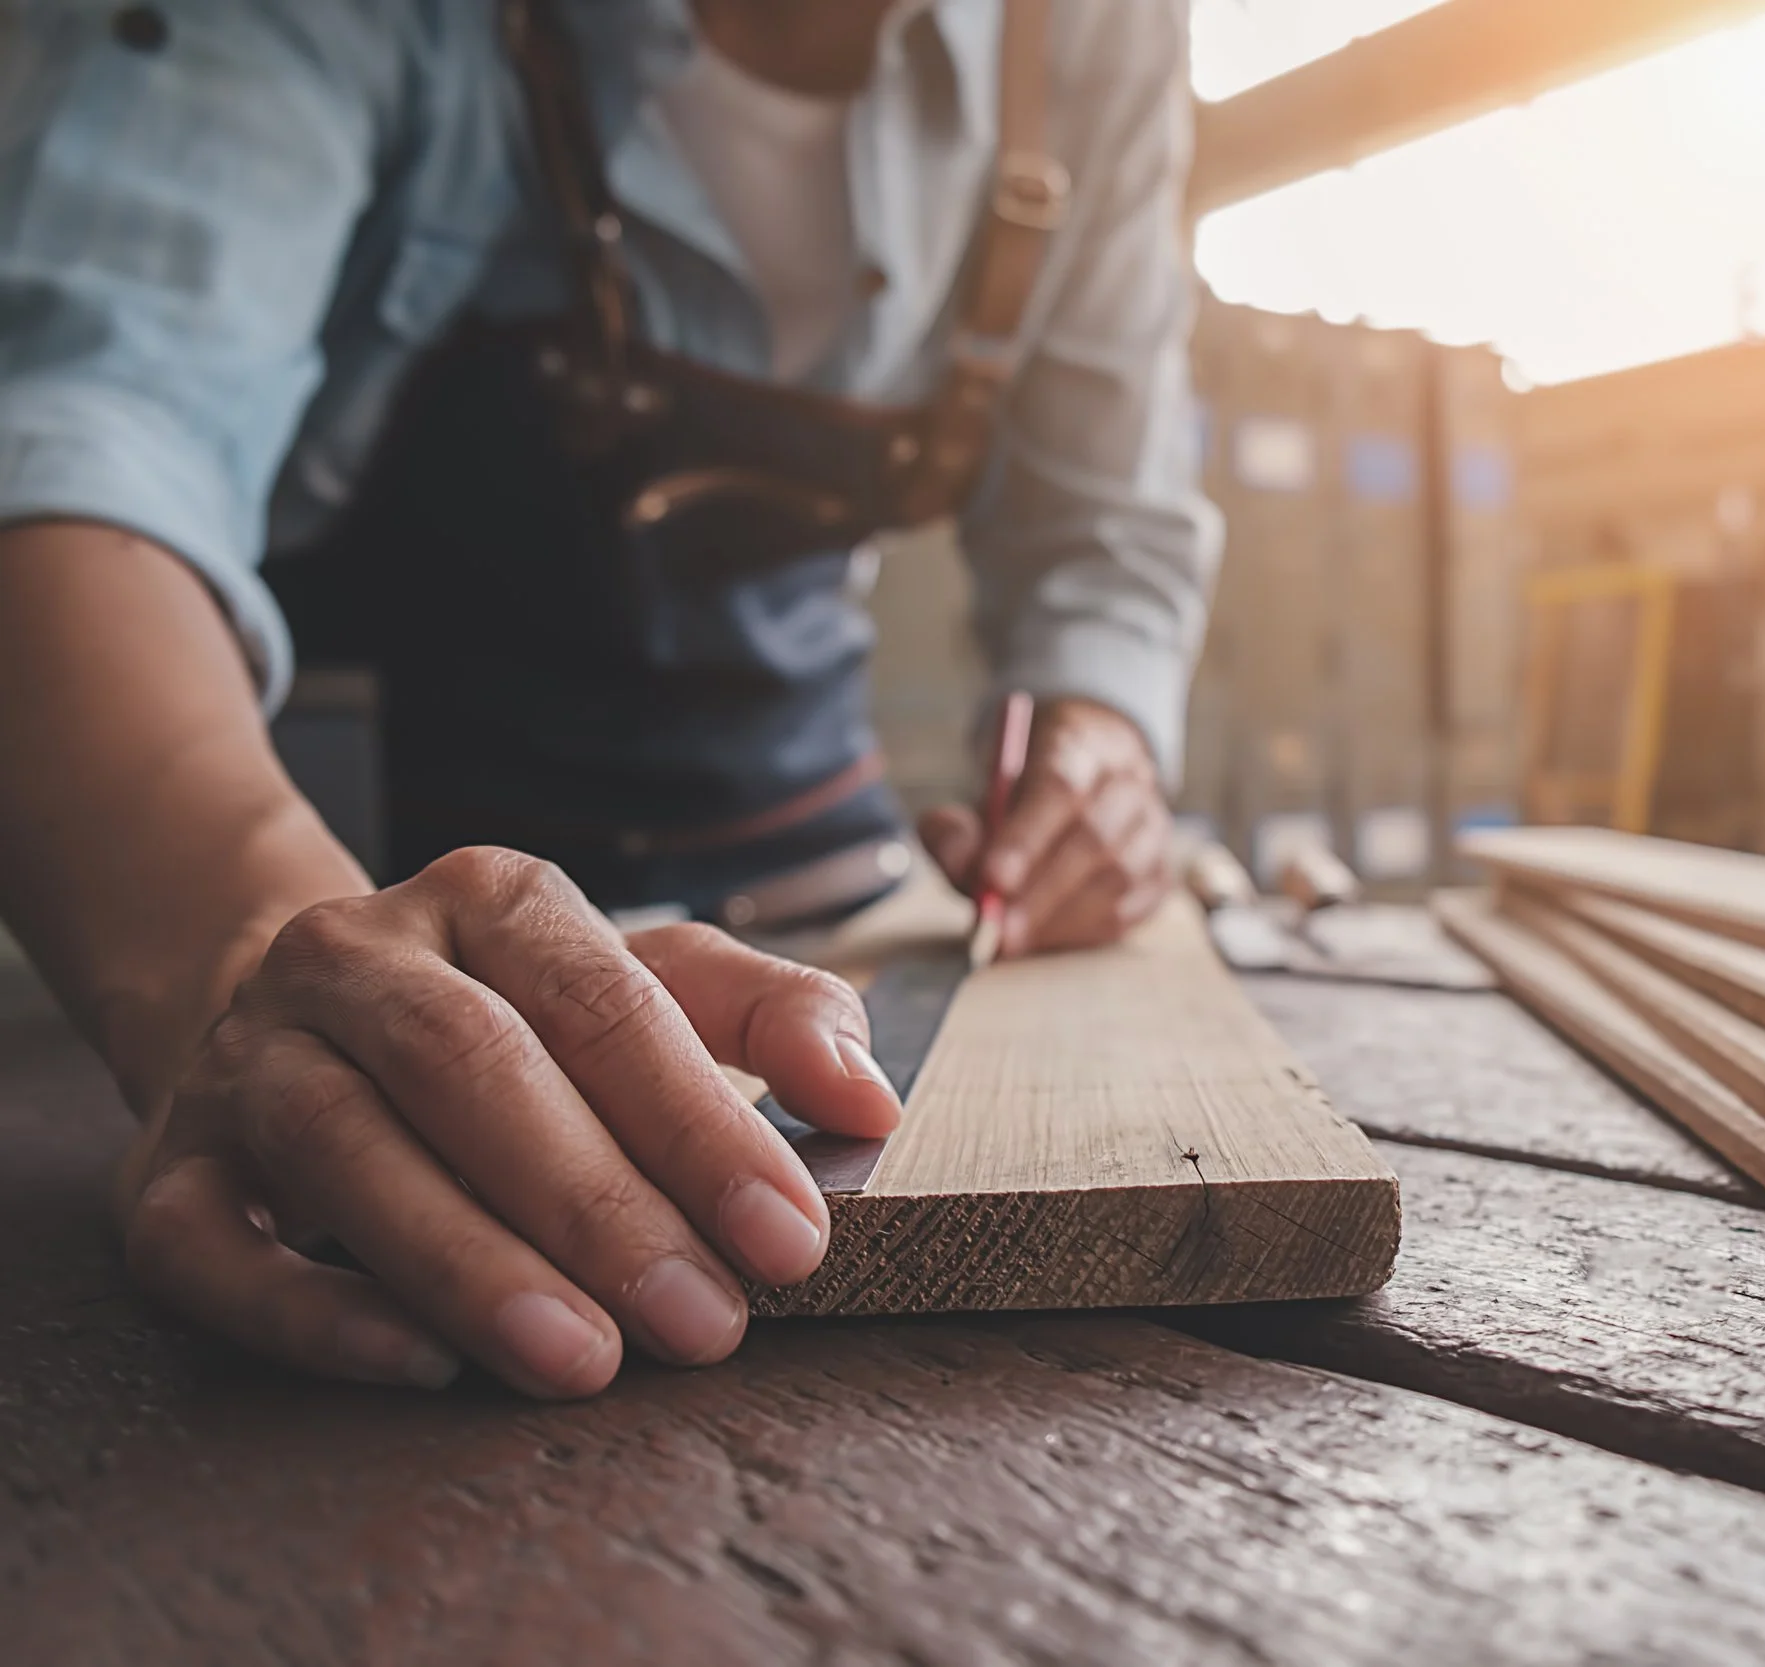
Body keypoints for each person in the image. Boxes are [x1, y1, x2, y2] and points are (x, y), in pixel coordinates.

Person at [0, 0, 1217, 1398]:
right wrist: (262, 955)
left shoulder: (1104, 30)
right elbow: (85, 421)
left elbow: (1101, 529)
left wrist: (1101, 734)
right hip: (372, 865)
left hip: (831, 876)